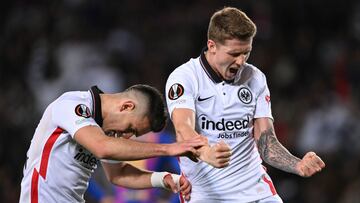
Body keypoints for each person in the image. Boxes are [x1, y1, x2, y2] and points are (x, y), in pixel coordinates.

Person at [165, 7, 325, 203]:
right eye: (234, 53)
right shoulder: (184, 78)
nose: (241, 61)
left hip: (256, 190)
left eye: (246, 53)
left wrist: (297, 164)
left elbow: (266, 142)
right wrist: (206, 153)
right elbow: (183, 131)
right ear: (212, 45)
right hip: (205, 195)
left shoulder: (255, 78)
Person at [19, 84, 207, 203]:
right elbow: (102, 148)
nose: (126, 136)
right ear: (126, 106)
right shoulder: (72, 104)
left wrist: (164, 178)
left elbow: (119, 175)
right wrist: (170, 149)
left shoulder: (104, 131)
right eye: (131, 129)